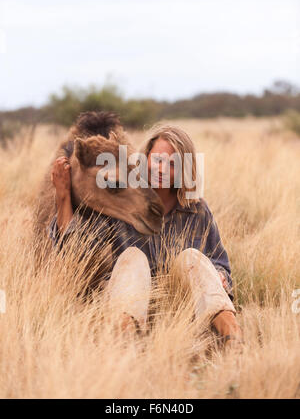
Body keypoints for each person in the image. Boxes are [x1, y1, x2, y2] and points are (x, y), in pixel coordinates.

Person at [49, 123, 243, 351]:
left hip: (177, 305)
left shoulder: (195, 208)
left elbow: (220, 262)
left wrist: (218, 276)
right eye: (158, 161)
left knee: (193, 258)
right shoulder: (120, 200)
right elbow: (77, 252)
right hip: (129, 301)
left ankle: (234, 341)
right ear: (146, 159)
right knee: (132, 257)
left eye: (173, 164)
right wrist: (62, 197)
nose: (162, 170)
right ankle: (124, 346)